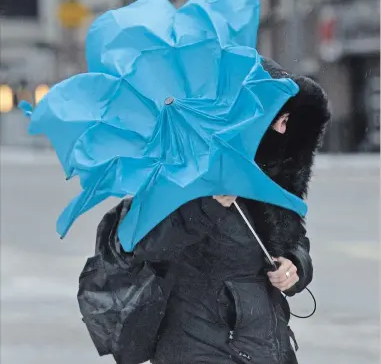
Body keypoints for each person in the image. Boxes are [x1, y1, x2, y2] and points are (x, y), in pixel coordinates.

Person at [79, 58, 331, 364]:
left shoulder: (272, 176)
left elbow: (295, 238)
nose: (283, 128)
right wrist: (207, 207)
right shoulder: (184, 172)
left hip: (267, 343)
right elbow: (148, 245)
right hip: (198, 343)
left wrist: (295, 266)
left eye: (288, 119)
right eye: (279, 117)